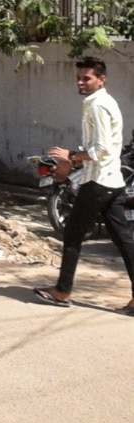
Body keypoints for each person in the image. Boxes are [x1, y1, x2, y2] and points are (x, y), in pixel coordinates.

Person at [34, 56, 134, 313]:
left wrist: (72, 156)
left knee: (72, 234)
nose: (81, 82)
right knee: (123, 239)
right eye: (79, 78)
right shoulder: (104, 101)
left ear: (102, 80)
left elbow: (100, 149)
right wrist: (74, 161)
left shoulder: (97, 105)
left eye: (87, 78)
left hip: (99, 181)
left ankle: (62, 291)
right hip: (112, 180)